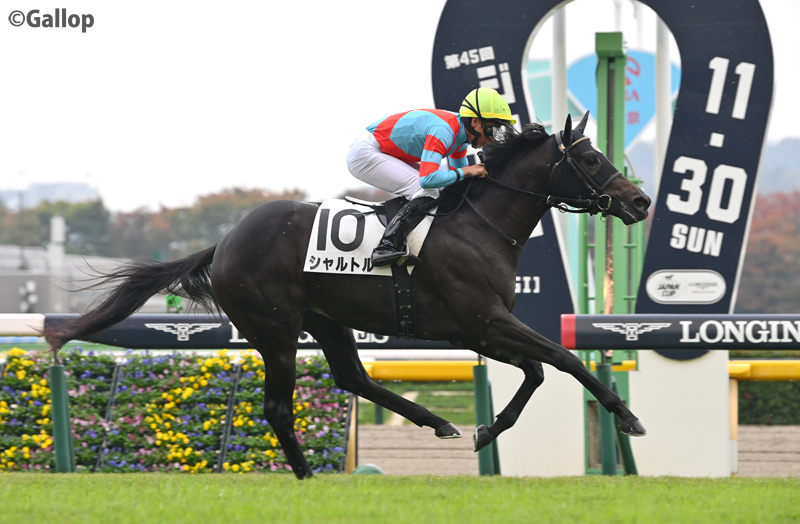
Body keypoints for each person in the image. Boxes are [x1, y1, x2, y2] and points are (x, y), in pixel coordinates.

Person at [346, 87, 516, 267]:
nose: (494, 139)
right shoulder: (444, 131)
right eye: (492, 131)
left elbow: (461, 183)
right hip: (365, 152)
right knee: (426, 190)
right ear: (474, 122)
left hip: (382, 149)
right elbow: (428, 179)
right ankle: (386, 247)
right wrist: (468, 171)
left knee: (435, 190)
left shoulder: (459, 138)